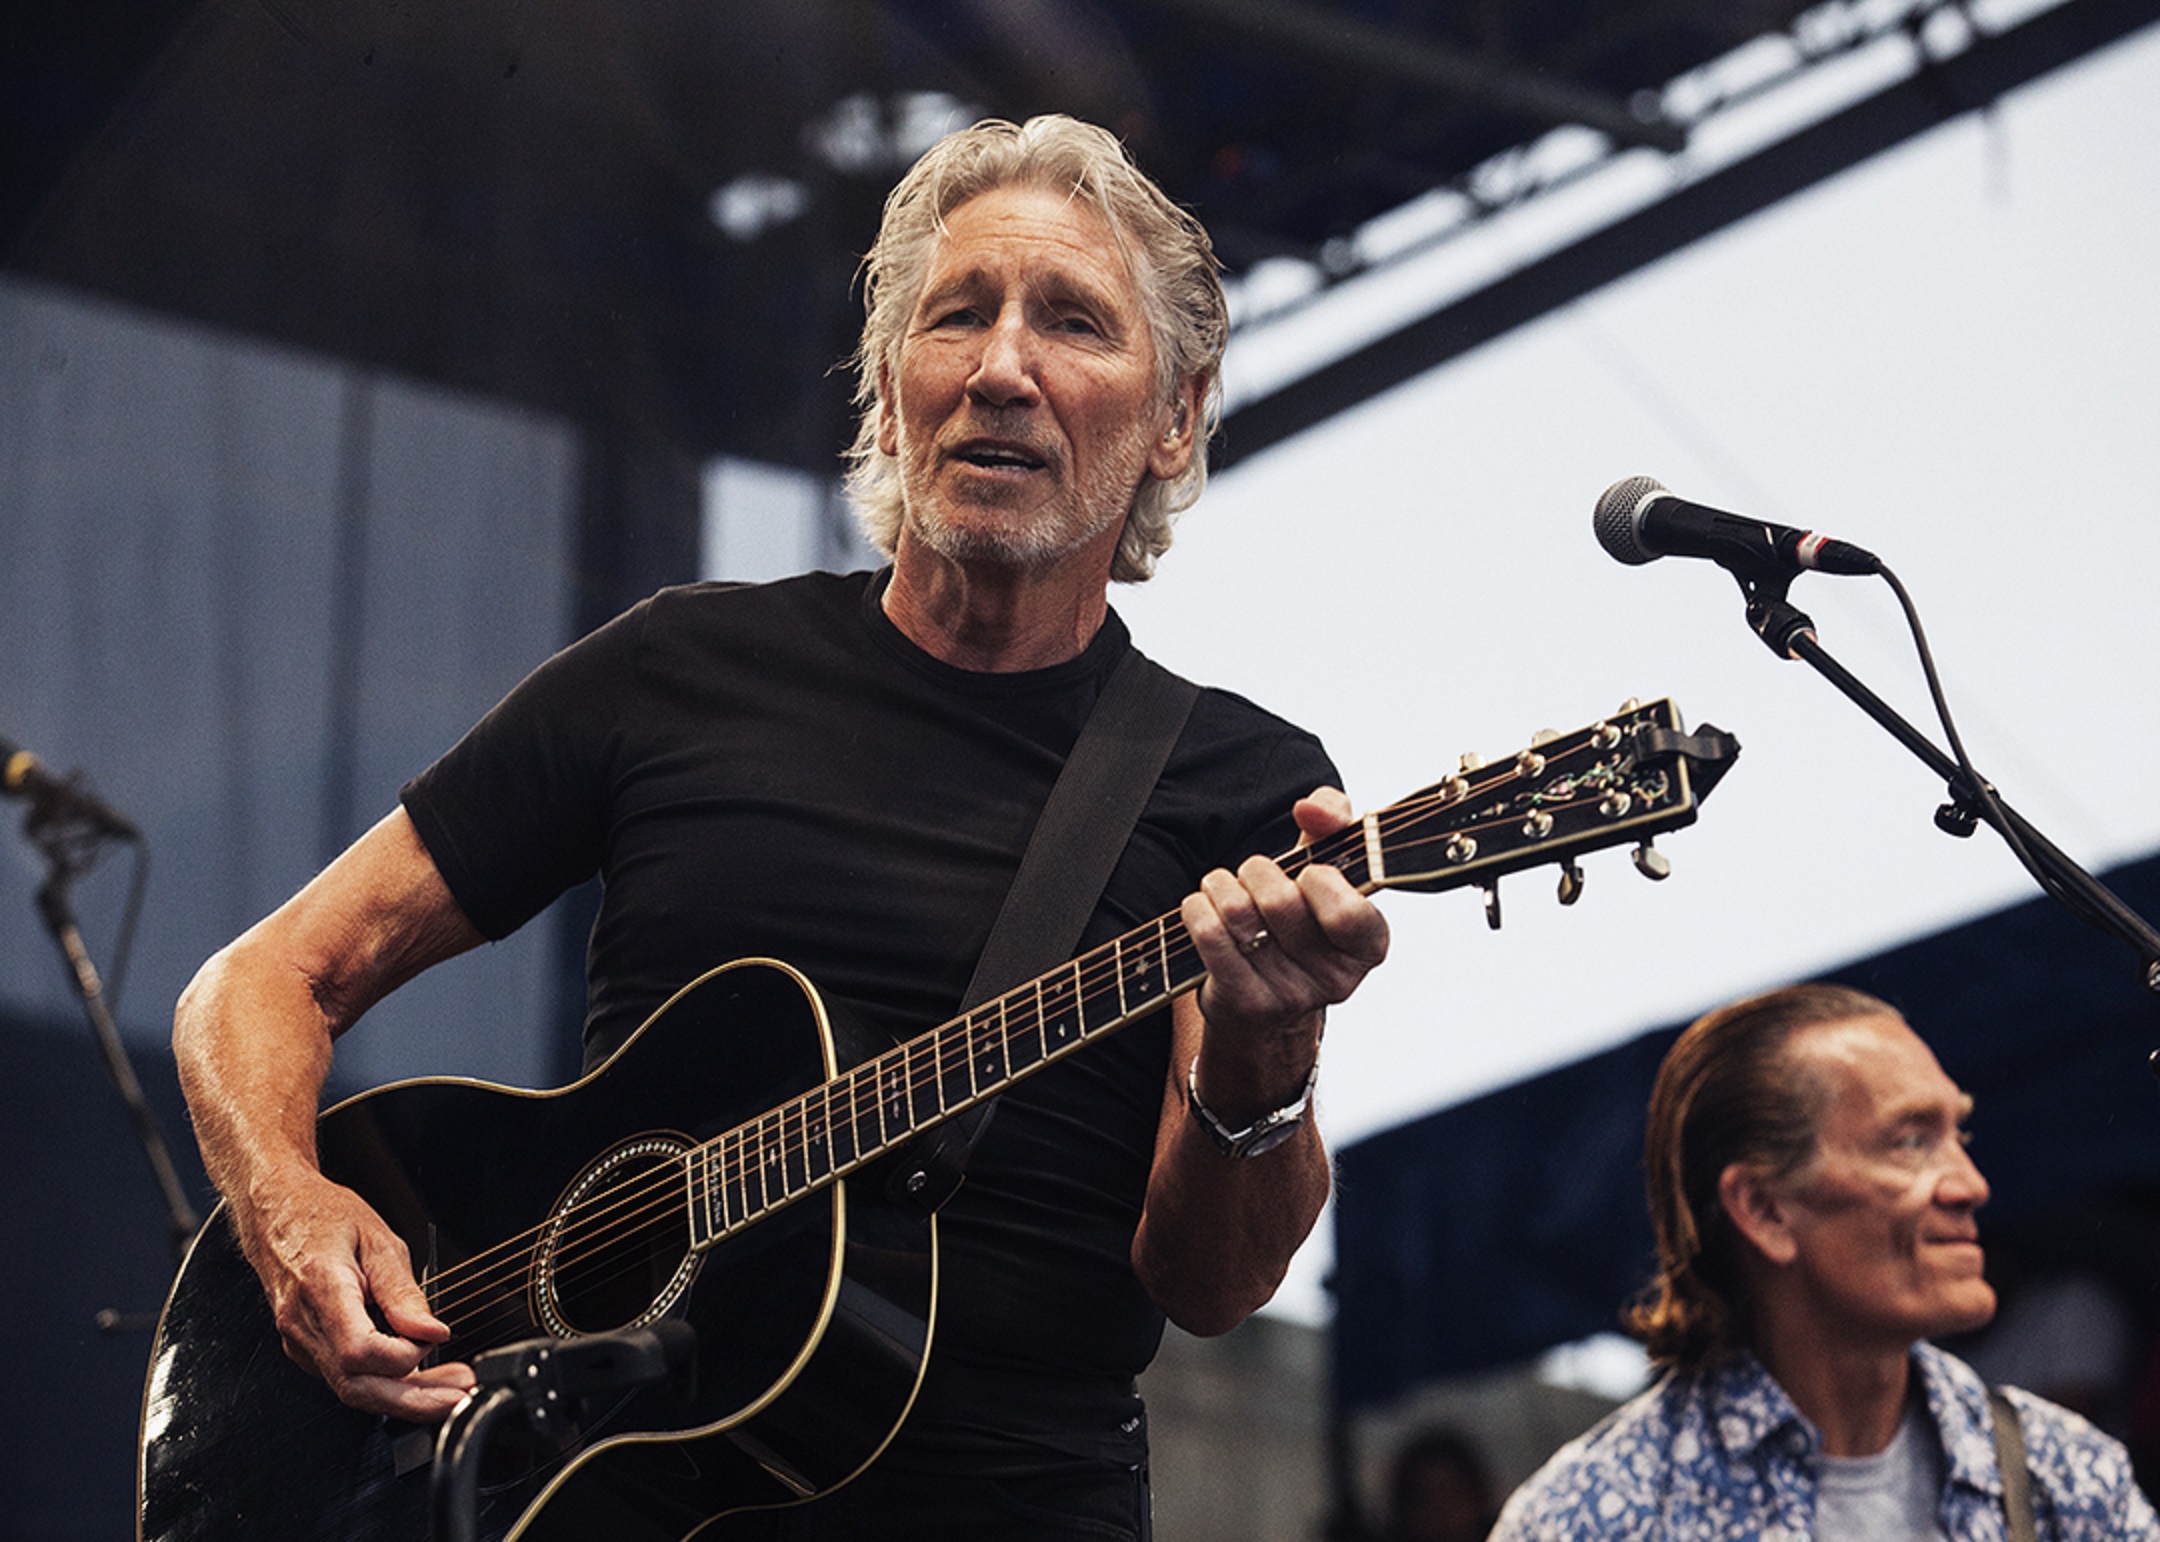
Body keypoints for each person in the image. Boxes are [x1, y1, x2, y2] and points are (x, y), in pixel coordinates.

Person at [170, 113, 1389, 1538]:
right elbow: (260, 979)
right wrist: (288, 1203)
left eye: (1072, 322)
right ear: (889, 389)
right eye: (958, 317)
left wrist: (1267, 1048)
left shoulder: (1231, 780)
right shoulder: (674, 669)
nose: (1003, 367)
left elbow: (1213, 1285)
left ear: (1174, 416)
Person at [1489, 982, 2158, 1540]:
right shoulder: (1590, 1521)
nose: (1970, 1184)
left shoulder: (2060, 1473)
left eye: (1959, 1133)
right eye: (1910, 1140)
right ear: (1764, 1209)